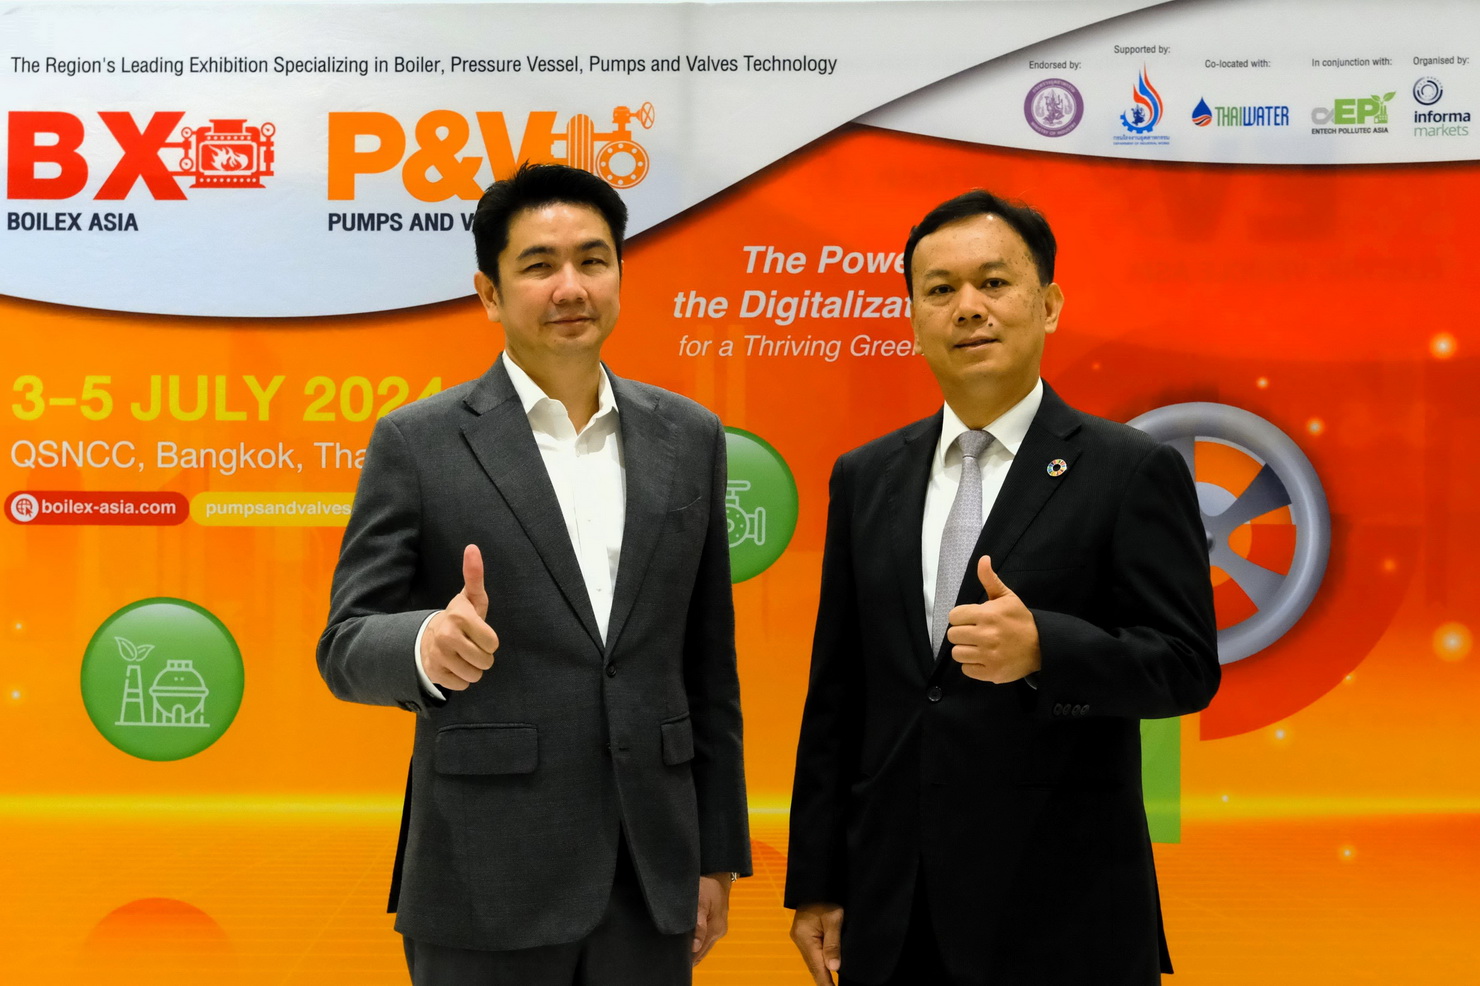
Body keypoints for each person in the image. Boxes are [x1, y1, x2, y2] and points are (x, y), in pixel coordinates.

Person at [317, 162, 750, 986]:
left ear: (620, 274)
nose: (570, 287)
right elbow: (345, 643)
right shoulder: (419, 441)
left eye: (593, 260)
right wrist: (424, 644)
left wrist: (715, 854)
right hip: (485, 875)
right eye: (539, 265)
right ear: (489, 292)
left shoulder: (689, 435)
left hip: (650, 872)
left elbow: (706, 666)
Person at [784, 189, 1219, 986]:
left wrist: (1048, 648)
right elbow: (838, 695)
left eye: (993, 282)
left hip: (1062, 907)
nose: (967, 307)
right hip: (894, 908)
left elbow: (1186, 666)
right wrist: (817, 882)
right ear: (913, 318)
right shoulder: (866, 476)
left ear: (1048, 305)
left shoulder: (1129, 470)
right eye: (940, 289)